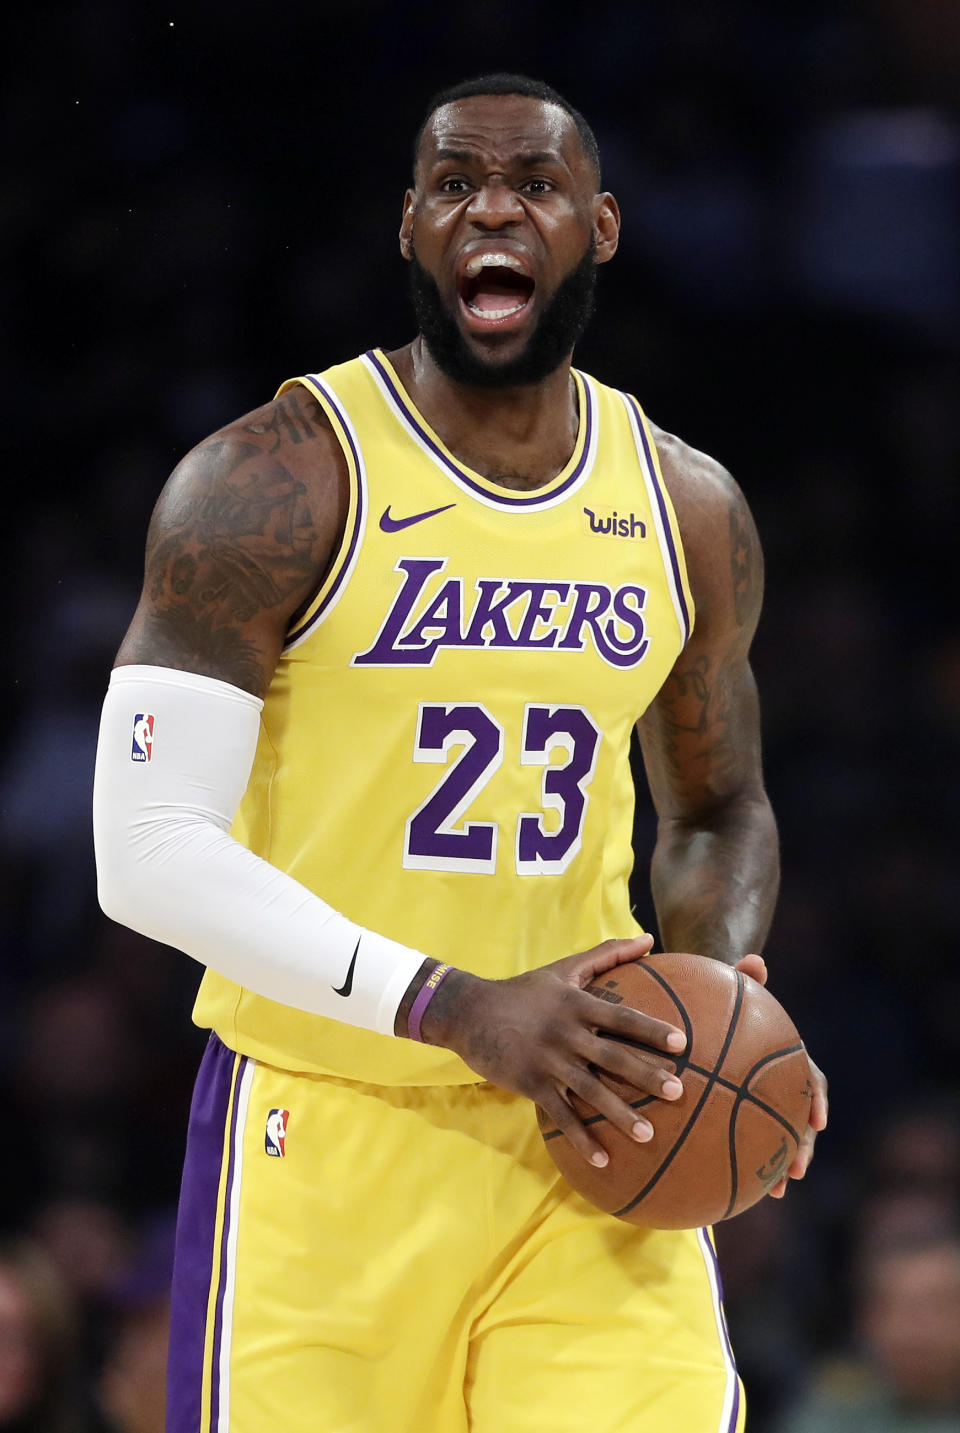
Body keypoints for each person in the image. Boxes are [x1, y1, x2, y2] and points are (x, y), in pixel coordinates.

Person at [93, 72, 827, 1433]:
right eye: (455, 185)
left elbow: (722, 807)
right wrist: (456, 1003)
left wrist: (710, 1003)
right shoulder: (270, 480)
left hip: (589, 1129)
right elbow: (143, 853)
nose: (495, 208)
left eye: (535, 185)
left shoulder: (685, 506)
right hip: (330, 1131)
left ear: (597, 227)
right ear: (412, 229)